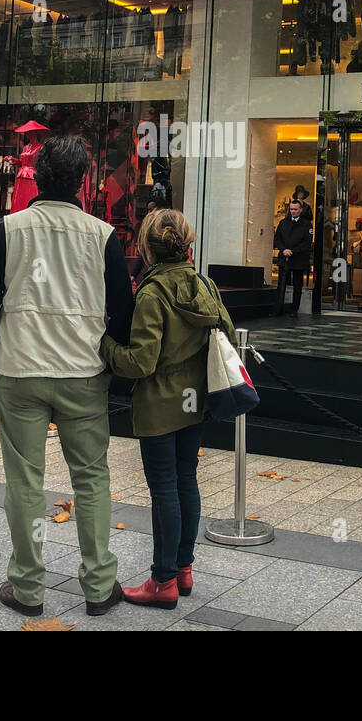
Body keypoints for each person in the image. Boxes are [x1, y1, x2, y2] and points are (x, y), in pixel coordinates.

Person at [0, 135, 135, 618]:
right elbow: (122, 311)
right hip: (83, 371)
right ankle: (99, 585)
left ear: (37, 178)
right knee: (91, 479)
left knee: (23, 482)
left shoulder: (9, 228)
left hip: (19, 369)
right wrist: (109, 363)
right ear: (83, 181)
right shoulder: (102, 234)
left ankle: (27, 588)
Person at [102, 209, 236, 609]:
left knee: (164, 490)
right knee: (186, 480)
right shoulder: (204, 285)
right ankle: (183, 568)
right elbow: (227, 334)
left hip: (160, 405)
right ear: (187, 243)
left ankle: (162, 581)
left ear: (147, 246)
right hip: (196, 401)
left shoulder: (151, 293)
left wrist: (105, 346)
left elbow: (141, 361)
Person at [272, 197, 312, 315]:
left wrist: (292, 251)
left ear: (300, 210)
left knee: (297, 286)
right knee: (281, 285)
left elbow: (306, 243)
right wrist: (284, 250)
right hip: (284, 258)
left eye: (295, 209)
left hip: (298, 259)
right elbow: (277, 239)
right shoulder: (283, 223)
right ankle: (278, 309)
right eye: (291, 209)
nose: (293, 211)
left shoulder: (306, 225)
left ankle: (294, 309)